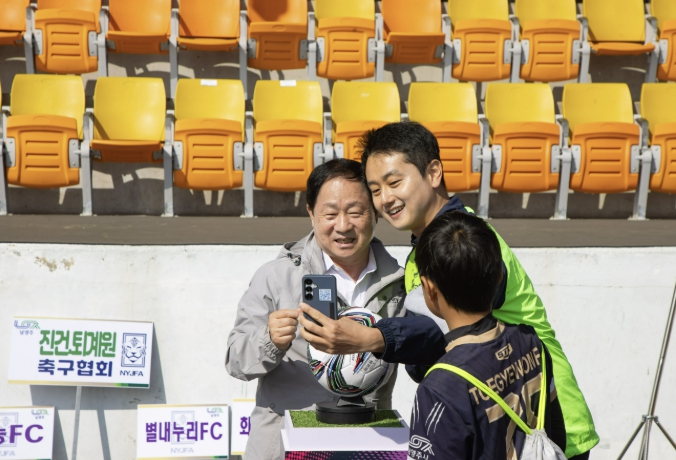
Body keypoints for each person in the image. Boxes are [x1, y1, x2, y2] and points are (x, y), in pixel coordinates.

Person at [300, 122, 598, 459]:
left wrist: (373, 338)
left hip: (544, 420)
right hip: (499, 426)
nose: (386, 199)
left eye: (394, 182)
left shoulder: (467, 238)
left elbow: (448, 321)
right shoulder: (423, 251)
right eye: (376, 190)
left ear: (433, 172)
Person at [225, 159, 406, 460]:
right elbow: (235, 361)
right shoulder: (276, 277)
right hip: (285, 447)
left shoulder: (401, 282)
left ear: (376, 211)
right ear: (311, 213)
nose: (343, 226)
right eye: (330, 214)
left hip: (366, 444)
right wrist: (269, 340)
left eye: (355, 212)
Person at [408, 211, 567, 459]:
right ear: (500, 275)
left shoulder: (440, 387)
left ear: (429, 288)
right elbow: (556, 437)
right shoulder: (531, 341)